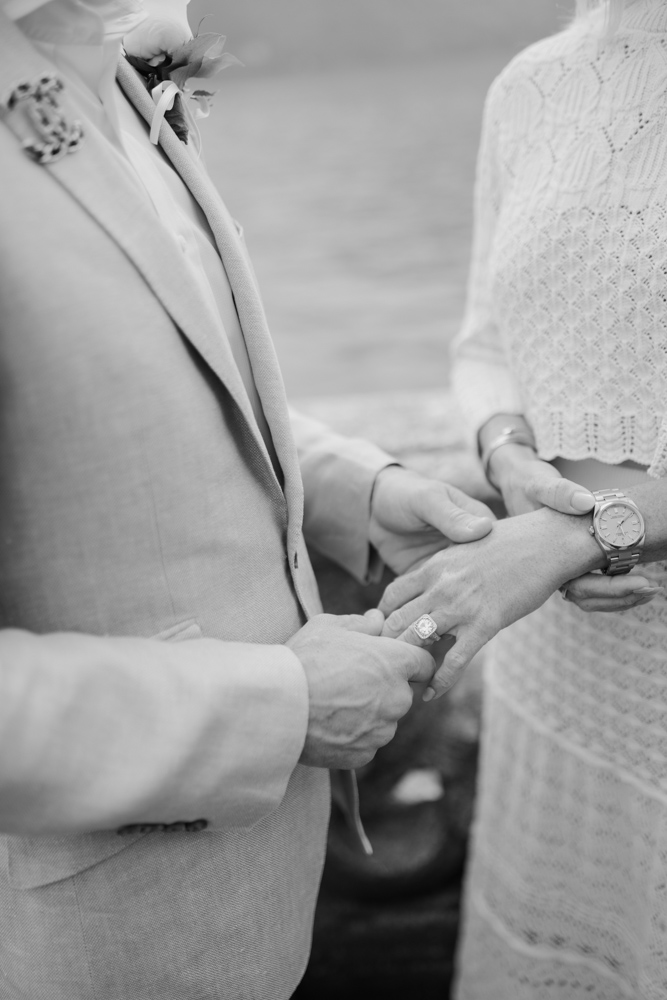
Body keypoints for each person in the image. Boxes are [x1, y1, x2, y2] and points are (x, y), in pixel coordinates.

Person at [0, 1, 503, 997]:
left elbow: (146, 389)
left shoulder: (102, 70)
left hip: (249, 915)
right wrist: (279, 709)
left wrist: (355, 495)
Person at [380, 0, 667, 996]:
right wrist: (506, 454)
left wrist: (581, 538)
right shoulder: (532, 84)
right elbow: (484, 339)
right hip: (552, 651)